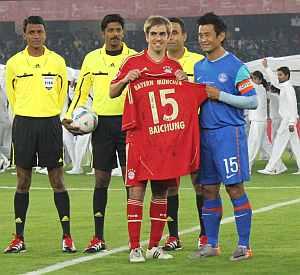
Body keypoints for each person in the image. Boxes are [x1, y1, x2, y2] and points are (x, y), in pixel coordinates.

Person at [110, 15, 207, 263]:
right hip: (139, 138)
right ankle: (134, 247)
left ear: (169, 37)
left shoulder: (174, 67)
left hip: (165, 141)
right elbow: (112, 92)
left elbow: (184, 100)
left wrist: (183, 83)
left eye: (163, 34)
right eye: (154, 34)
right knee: (136, 191)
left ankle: (154, 246)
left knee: (161, 192)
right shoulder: (133, 62)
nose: (159, 38)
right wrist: (125, 79)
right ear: (146, 36)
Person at [63, 14, 136, 253]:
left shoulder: (134, 58)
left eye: (118, 30)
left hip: (128, 125)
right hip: (101, 125)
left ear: (123, 32)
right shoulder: (92, 59)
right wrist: (68, 117)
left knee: (131, 181)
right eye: (110, 30)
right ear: (103, 33)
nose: (114, 34)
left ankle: (133, 240)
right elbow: (82, 93)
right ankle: (98, 237)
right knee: (101, 181)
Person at [4, 16, 76, 253]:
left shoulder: (57, 61)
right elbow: (12, 97)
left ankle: (67, 237)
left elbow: (62, 92)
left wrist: (50, 114)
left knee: (57, 180)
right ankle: (19, 238)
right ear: (24, 35)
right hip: (24, 125)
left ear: (45, 34)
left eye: (40, 32)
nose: (36, 36)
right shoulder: (15, 63)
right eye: (32, 32)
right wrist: (26, 113)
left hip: (49, 125)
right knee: (23, 181)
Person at [194, 12, 257, 261]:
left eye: (208, 34)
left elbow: (252, 100)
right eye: (200, 35)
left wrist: (220, 95)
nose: (203, 39)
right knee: (208, 189)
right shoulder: (198, 67)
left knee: (233, 188)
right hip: (205, 135)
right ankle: (211, 244)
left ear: (221, 36)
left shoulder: (236, 67)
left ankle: (244, 246)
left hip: (228, 135)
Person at [162, 17, 206, 251]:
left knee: (200, 184)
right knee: (170, 187)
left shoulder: (198, 63)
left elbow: (204, 95)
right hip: (168, 134)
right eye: (167, 33)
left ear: (184, 36)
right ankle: (173, 236)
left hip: (193, 132)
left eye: (175, 33)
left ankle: (204, 234)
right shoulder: (157, 64)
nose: (170, 38)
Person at [258, 59, 300, 175]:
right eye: (278, 75)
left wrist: (291, 123)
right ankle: (272, 168)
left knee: (278, 144)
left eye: (280, 75)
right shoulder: (285, 86)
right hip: (289, 120)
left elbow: (293, 106)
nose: (279, 77)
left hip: (288, 121)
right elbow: (275, 82)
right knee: (296, 146)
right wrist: (267, 68)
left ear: (287, 76)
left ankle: (271, 168)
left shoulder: (288, 88)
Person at [248, 71, 286, 174]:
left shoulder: (258, 88)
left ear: (259, 80)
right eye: (252, 78)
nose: (252, 80)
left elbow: (247, 83)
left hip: (258, 121)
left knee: (253, 145)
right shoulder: (259, 88)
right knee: (266, 146)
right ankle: (279, 165)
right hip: (258, 121)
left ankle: (248, 168)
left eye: (254, 78)